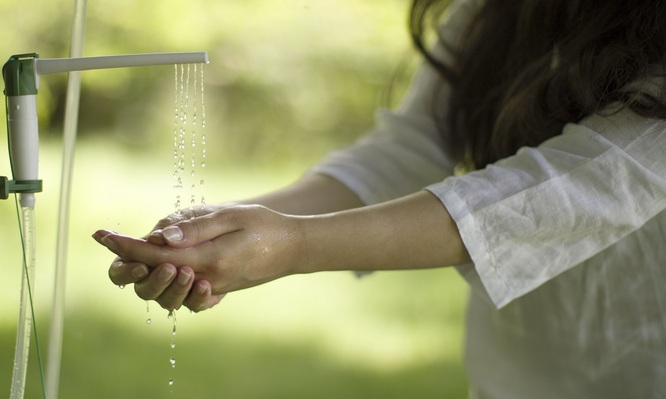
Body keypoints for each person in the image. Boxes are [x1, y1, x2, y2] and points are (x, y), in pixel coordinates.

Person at [92, 0, 666, 397]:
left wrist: (293, 246)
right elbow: (404, 152)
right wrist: (212, 234)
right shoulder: (494, 14)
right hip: (511, 380)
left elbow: (564, 190)